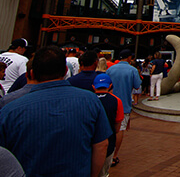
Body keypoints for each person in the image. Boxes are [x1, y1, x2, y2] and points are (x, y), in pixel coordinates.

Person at [0, 45, 112, 177]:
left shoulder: (10, 109)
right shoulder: (90, 101)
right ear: (65, 70)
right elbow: (102, 145)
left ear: (31, 73)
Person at [106, 49, 142, 167]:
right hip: (124, 104)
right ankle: (114, 155)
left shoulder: (110, 69)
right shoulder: (132, 70)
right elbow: (137, 85)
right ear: (128, 58)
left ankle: (106, 152)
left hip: (109, 102)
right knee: (120, 129)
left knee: (107, 128)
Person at [92, 74, 124, 176]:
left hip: (89, 142)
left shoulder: (88, 99)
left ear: (93, 86)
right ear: (110, 85)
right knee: (103, 173)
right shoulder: (116, 101)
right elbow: (117, 126)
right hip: (108, 142)